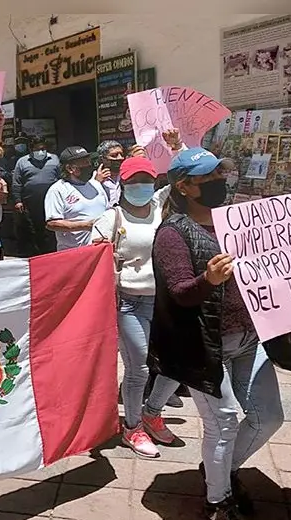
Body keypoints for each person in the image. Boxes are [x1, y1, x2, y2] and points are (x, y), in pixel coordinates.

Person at [148, 147, 284, 520]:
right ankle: (218, 501)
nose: (218, 183)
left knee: (268, 417)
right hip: (203, 346)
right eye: (207, 179)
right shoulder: (173, 234)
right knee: (223, 423)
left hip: (249, 338)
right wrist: (208, 279)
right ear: (185, 187)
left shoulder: (238, 221)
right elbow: (179, 293)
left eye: (220, 175)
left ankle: (219, 469)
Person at [91, 157, 180, 458]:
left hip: (165, 300)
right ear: (123, 184)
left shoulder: (159, 206)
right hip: (127, 302)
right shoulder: (110, 218)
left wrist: (176, 144)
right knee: (139, 367)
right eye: (134, 181)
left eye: (147, 180)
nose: (141, 186)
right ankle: (132, 427)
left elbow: (184, 172)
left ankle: (152, 413)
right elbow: (90, 261)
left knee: (178, 362)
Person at [44, 146, 111, 251]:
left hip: (100, 250)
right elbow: (52, 223)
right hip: (74, 252)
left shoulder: (96, 185)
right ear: (70, 168)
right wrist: (86, 225)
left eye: (88, 162)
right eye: (84, 163)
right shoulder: (57, 190)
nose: (89, 165)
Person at [11, 136, 61, 255]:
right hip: (30, 202)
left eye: (42, 148)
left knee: (50, 229)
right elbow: (16, 183)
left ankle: (51, 253)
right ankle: (35, 254)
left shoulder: (54, 159)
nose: (40, 151)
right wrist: (18, 200)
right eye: (37, 149)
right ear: (31, 149)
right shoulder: (22, 162)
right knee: (32, 229)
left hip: (51, 201)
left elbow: (61, 178)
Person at [95, 140, 126, 206]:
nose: (120, 158)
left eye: (122, 154)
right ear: (102, 159)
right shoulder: (93, 178)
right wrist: (97, 183)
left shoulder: (126, 175)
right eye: (114, 155)